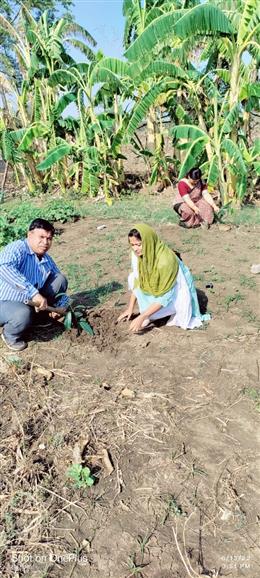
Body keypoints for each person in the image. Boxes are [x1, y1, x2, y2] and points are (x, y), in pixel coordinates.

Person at [117, 223, 210, 333]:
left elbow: (166, 297)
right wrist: (130, 308)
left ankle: (165, 313)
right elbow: (138, 281)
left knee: (176, 303)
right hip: (159, 288)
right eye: (132, 245)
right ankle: (153, 314)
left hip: (174, 291)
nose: (135, 249)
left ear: (149, 242)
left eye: (139, 244)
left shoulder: (165, 261)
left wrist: (143, 316)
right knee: (133, 278)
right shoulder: (137, 255)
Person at [0, 218, 69, 351]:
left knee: (60, 279)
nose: (45, 242)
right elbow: (3, 267)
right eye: (41, 237)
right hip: (4, 301)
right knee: (22, 314)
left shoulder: (46, 259)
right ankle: (10, 334)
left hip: (28, 302)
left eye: (49, 238)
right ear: (29, 235)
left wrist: (63, 305)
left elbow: (58, 284)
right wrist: (34, 293)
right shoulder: (17, 248)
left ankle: (38, 319)